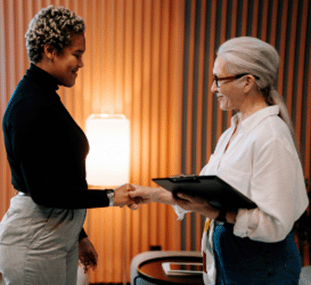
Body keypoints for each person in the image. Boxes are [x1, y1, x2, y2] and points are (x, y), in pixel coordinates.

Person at [130, 37, 309, 285]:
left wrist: (213, 211)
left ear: (247, 82)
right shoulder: (232, 132)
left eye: (218, 79)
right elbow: (201, 190)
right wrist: (150, 194)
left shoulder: (271, 136)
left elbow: (275, 225)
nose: (213, 88)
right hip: (232, 262)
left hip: (261, 267)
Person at [0, 5, 138, 285]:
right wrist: (112, 197)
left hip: (54, 234)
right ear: (51, 49)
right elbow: (45, 191)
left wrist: (79, 235)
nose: (81, 63)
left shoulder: (45, 98)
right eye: (77, 54)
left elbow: (63, 178)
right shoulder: (29, 105)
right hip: (34, 243)